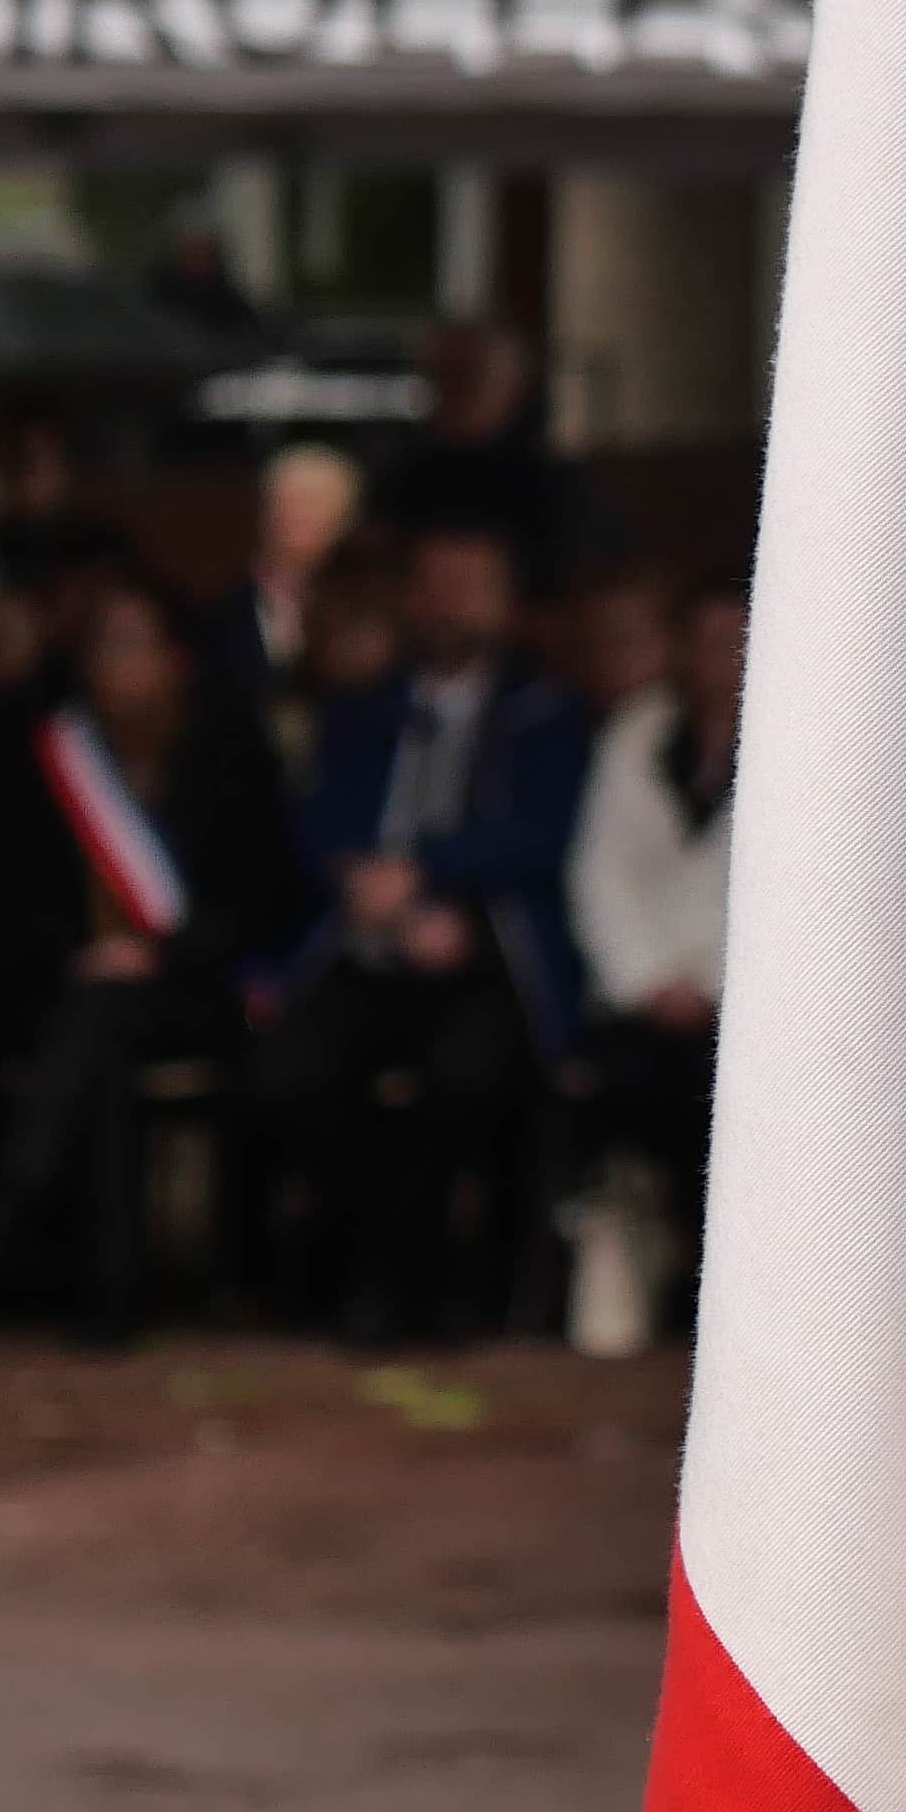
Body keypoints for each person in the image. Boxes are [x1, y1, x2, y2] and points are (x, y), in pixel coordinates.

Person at [257, 524, 591, 1339]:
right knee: (289, 1072)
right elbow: (314, 822)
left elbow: (548, 833)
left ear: (508, 603)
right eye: (433, 583)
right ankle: (351, 1275)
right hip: (365, 945)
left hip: (487, 955)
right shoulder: (364, 706)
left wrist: (437, 877)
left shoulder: (545, 711)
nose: (447, 604)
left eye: (470, 584)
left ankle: (436, 1286)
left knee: (464, 1077)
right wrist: (361, 880)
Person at [0, 575, 300, 1345]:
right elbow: (11, 889)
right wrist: (85, 956)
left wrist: (163, 953)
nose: (113, 662)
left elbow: (257, 893)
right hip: (74, 986)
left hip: (201, 989)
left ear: (175, 660)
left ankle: (20, 1199)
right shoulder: (47, 750)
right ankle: (107, 1294)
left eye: (131, 644)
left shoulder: (227, 746)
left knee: (101, 1024)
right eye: (102, 645)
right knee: (101, 1039)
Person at [561, 579, 739, 1356]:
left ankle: (722, 1300)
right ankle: (626, 1276)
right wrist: (649, 979)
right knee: (613, 1089)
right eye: (702, 640)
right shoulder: (635, 735)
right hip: (640, 995)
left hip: (740, 1005)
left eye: (735, 639)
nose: (718, 659)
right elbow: (599, 872)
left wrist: (711, 984)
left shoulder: (801, 739)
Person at [375, 316, 581, 601]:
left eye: (471, 375)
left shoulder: (552, 486)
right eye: (444, 375)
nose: (457, 388)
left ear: (515, 384)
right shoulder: (400, 477)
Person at [197, 441, 363, 731]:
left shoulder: (367, 620)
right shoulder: (218, 619)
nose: (297, 518)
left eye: (315, 506)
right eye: (288, 504)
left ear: (348, 522)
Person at [0, 405, 129, 617]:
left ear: (64, 466)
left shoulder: (99, 545)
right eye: (9, 464)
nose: (21, 478)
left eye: (31, 463)